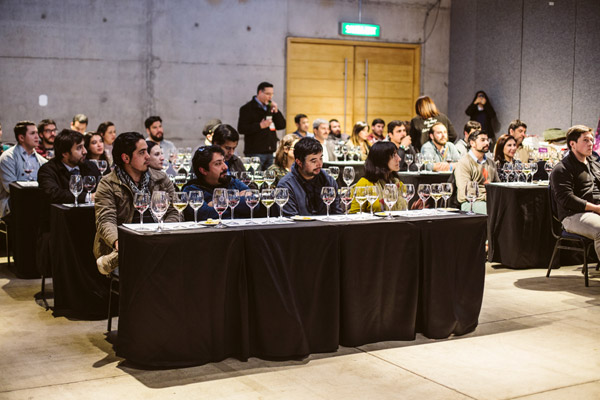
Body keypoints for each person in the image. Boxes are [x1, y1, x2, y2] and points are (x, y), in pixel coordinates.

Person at [94, 132, 178, 275]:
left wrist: (164, 234)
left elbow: (174, 211)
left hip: (160, 239)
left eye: (147, 151)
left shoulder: (161, 178)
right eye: (142, 152)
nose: (148, 156)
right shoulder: (108, 183)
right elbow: (105, 220)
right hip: (127, 242)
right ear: (126, 158)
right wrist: (118, 242)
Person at [551, 125, 600, 260]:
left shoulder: (595, 164)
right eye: (585, 140)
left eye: (591, 140)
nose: (590, 143)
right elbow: (567, 199)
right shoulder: (562, 168)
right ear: (572, 144)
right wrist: (595, 208)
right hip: (573, 215)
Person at [182, 146, 253, 221]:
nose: (225, 167)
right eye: (218, 163)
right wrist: (237, 200)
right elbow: (205, 214)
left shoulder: (233, 182)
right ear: (203, 170)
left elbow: (254, 205)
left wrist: (216, 203)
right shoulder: (192, 190)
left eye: (224, 161)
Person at [277, 137, 341, 216]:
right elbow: (290, 218)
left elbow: (337, 214)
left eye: (321, 158)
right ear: (299, 162)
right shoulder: (286, 185)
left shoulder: (328, 180)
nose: (319, 164)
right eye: (313, 161)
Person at [38, 129, 101, 204]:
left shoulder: (90, 166)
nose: (85, 151)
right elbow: (53, 194)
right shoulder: (48, 170)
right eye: (79, 148)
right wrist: (88, 197)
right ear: (65, 153)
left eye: (83, 146)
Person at [0, 121, 47, 218]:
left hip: (36, 203)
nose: (37, 137)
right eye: (32, 133)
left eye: (37, 133)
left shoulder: (42, 161)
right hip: (13, 207)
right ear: (21, 138)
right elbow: (11, 188)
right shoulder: (8, 158)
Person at [237, 81, 286, 170]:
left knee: (270, 177)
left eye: (272, 94)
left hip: (270, 151)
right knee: (255, 177)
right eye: (267, 94)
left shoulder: (270, 108)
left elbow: (281, 125)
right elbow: (241, 129)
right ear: (260, 92)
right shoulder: (247, 108)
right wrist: (260, 126)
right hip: (255, 152)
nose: (270, 97)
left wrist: (276, 111)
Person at [349, 141, 407, 214]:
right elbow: (354, 214)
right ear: (382, 159)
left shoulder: (397, 183)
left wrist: (414, 208)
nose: (399, 159)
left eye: (397, 154)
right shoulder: (364, 184)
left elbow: (403, 211)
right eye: (394, 155)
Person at [454, 130, 499, 214]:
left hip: (490, 199)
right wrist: (487, 196)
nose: (487, 143)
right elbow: (465, 192)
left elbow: (497, 185)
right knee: (494, 212)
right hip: (471, 202)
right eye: (482, 140)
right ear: (472, 143)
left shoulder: (491, 162)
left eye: (487, 140)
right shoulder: (464, 163)